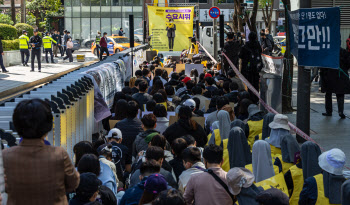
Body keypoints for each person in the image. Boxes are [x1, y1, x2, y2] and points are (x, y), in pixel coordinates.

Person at [3, 99, 80, 204]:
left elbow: (5, 187)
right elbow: (73, 183)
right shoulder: (59, 154)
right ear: (47, 125)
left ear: (16, 124)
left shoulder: (6, 156)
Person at [320, 48, 350, 119]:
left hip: (329, 75)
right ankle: (340, 111)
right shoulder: (343, 52)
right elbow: (348, 63)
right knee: (340, 93)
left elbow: (323, 64)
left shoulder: (328, 51)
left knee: (328, 93)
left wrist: (323, 74)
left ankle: (329, 111)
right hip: (340, 74)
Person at [239, 32, 263, 103]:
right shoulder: (257, 44)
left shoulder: (245, 45)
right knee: (256, 83)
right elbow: (260, 52)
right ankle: (256, 98)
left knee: (249, 84)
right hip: (256, 68)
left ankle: (250, 97)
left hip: (247, 68)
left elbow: (240, 55)